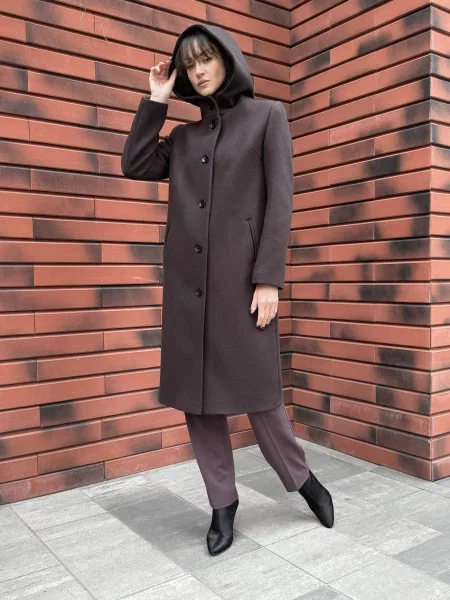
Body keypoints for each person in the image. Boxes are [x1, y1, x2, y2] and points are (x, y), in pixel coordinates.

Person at [121, 23, 334, 557]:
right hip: (188, 290)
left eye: (206, 59)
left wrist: (269, 278)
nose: (198, 71)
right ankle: (222, 504)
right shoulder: (184, 138)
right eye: (189, 64)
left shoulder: (268, 117)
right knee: (199, 403)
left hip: (243, 286)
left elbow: (280, 202)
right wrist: (157, 99)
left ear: (228, 59)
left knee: (261, 397)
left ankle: (301, 479)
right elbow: (135, 163)